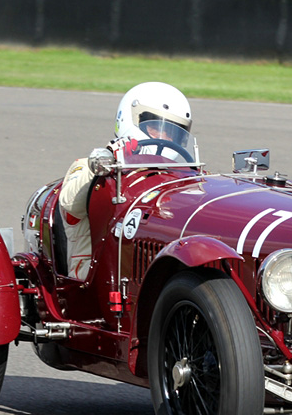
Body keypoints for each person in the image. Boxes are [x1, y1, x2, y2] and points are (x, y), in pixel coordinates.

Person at [58, 82, 193, 280]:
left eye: (173, 133)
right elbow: (70, 204)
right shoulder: (90, 166)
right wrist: (108, 161)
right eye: (156, 129)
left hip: (149, 274)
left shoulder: (173, 177)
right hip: (94, 278)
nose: (165, 138)